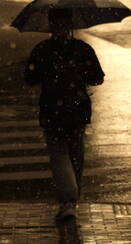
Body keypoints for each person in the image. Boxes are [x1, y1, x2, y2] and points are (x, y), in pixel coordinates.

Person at [24, 9, 105, 221]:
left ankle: (68, 200)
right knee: (75, 154)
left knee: (59, 155)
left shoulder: (42, 49)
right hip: (77, 109)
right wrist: (79, 74)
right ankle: (71, 199)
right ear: (71, 25)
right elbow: (97, 78)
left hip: (52, 109)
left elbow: (30, 78)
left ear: (50, 25)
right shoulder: (82, 49)